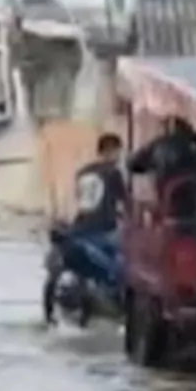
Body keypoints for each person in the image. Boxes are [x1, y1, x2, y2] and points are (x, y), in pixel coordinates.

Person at [43, 133, 127, 324]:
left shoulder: (82, 172)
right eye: (118, 152)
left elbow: (82, 200)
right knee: (121, 268)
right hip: (103, 229)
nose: (119, 156)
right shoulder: (113, 172)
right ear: (112, 151)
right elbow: (125, 202)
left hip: (79, 227)